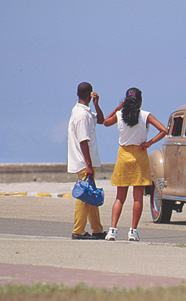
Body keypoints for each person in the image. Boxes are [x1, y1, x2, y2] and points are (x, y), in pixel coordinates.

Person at [103, 88, 168, 241]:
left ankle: (112, 230)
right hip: (139, 154)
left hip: (124, 155)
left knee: (120, 196)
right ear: (140, 101)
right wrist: (149, 143)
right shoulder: (145, 115)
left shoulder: (119, 115)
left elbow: (105, 122)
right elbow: (164, 130)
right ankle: (133, 231)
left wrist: (117, 108)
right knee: (137, 198)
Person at [67, 82, 106, 239]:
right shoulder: (81, 115)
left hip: (86, 162)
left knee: (91, 195)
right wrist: (88, 165)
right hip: (84, 162)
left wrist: (97, 105)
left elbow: (101, 120)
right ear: (90, 94)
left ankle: (97, 229)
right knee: (84, 197)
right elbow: (84, 141)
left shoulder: (84, 111)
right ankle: (78, 230)